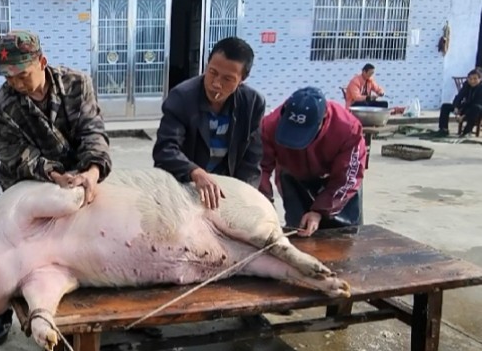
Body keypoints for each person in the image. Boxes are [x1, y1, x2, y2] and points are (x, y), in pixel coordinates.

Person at [0, 30, 112, 345]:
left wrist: (92, 172)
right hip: (26, 184)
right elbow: (18, 156)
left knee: (85, 242)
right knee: (12, 253)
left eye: (22, 74)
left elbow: (91, 131)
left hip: (80, 176)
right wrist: (55, 177)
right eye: (8, 76)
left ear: (41, 61)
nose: (16, 83)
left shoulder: (76, 83)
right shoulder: (1, 105)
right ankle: (2, 308)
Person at [152, 36, 265, 209]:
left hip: (226, 189)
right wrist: (195, 172)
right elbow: (165, 150)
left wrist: (243, 198)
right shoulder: (182, 97)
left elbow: (251, 160)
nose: (216, 84)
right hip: (183, 187)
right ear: (207, 65)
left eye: (227, 79)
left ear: (242, 79)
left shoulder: (252, 103)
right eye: (212, 72)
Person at [259, 87, 366, 237]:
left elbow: (349, 176)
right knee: (298, 231)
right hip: (292, 175)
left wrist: (319, 211)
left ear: (322, 121)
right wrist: (264, 202)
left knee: (342, 236)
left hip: (336, 180)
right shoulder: (269, 125)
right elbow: (259, 168)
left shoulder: (348, 129)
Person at [437, 68, 482, 137]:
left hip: (477, 109)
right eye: (470, 79)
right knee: (445, 106)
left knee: (476, 108)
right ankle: (443, 129)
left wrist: (463, 116)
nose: (472, 81)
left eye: (475, 79)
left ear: (480, 79)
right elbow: (459, 96)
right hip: (466, 106)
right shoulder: (466, 84)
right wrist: (456, 108)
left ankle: (467, 132)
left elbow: (478, 103)